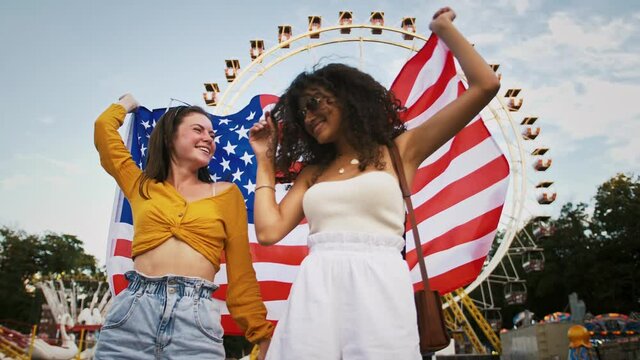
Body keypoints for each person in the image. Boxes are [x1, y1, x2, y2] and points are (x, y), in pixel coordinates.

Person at [248, 7, 500, 360]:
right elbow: (268, 231)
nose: (309, 116)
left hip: (381, 283)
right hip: (316, 288)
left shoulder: (401, 151)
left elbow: (486, 85)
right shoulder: (312, 174)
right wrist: (264, 160)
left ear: (348, 97)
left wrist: (444, 30)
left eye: (315, 102)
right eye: (302, 111)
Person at [93, 94, 273, 359]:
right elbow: (104, 130)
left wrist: (261, 333)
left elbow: (241, 274)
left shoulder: (227, 194)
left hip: (196, 321)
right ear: (169, 138)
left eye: (212, 134)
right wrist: (125, 104)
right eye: (198, 130)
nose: (209, 138)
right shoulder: (141, 185)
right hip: (132, 316)